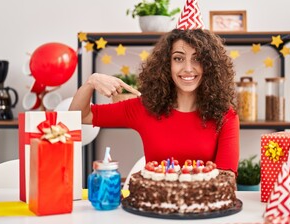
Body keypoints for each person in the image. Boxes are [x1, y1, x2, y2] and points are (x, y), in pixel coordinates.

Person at [69, 28, 240, 175]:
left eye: (197, 58)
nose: (188, 68)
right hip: (153, 210)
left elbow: (226, 177)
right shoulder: (144, 107)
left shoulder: (226, 116)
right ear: (166, 64)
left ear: (209, 65)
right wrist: (91, 82)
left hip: (205, 211)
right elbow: (80, 116)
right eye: (178, 58)